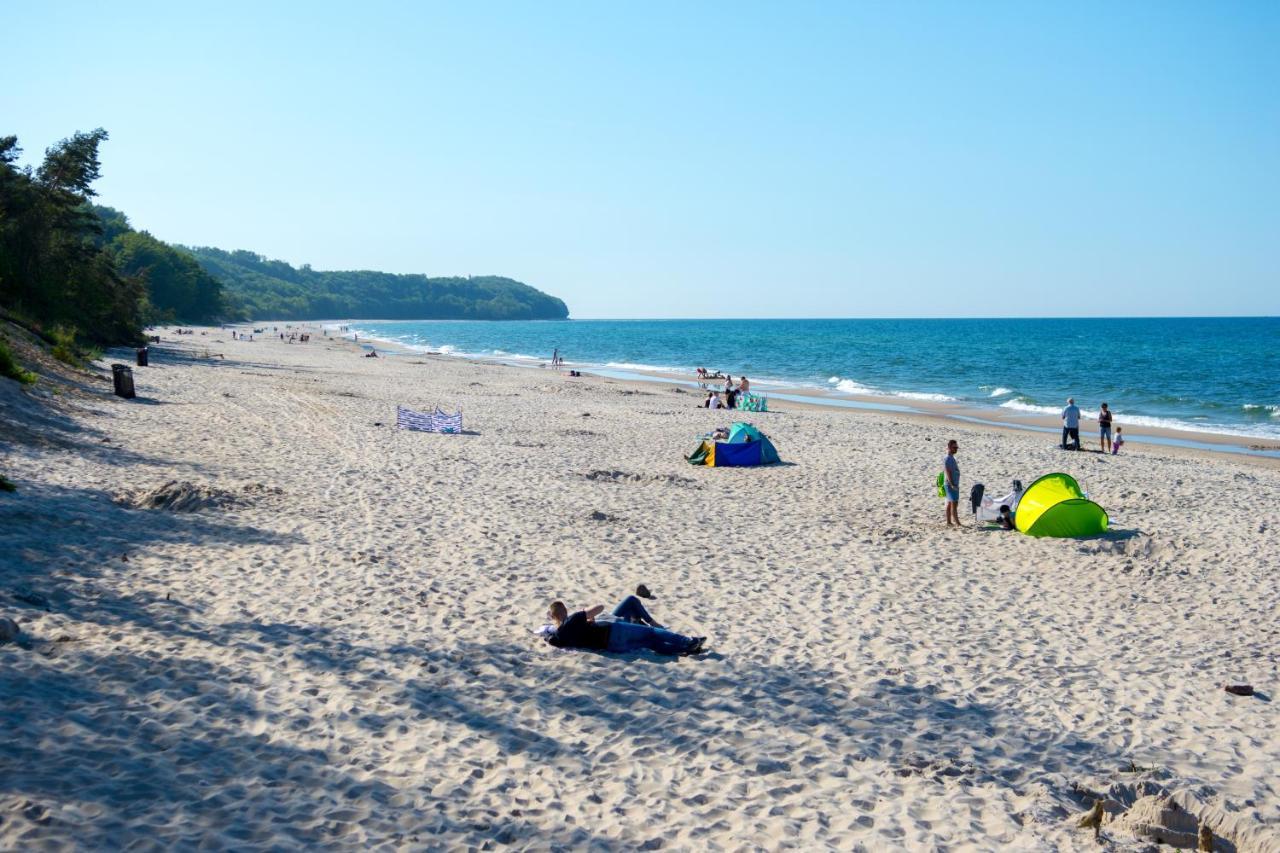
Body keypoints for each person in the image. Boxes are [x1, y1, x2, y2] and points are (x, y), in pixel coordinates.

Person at [544, 597, 705, 655]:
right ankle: (687, 642)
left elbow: (552, 638)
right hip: (614, 631)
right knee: (652, 633)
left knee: (650, 643)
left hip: (611, 647)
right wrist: (584, 613)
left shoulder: (560, 637)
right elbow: (600, 607)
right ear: (564, 610)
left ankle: (684, 651)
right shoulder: (572, 620)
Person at [943, 439, 961, 526]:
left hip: (953, 484)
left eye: (957, 447)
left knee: (950, 503)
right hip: (951, 484)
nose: (956, 449)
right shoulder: (947, 458)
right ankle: (957, 522)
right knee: (954, 503)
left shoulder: (951, 457)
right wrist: (952, 484)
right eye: (954, 447)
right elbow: (948, 472)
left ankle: (949, 522)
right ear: (949, 447)